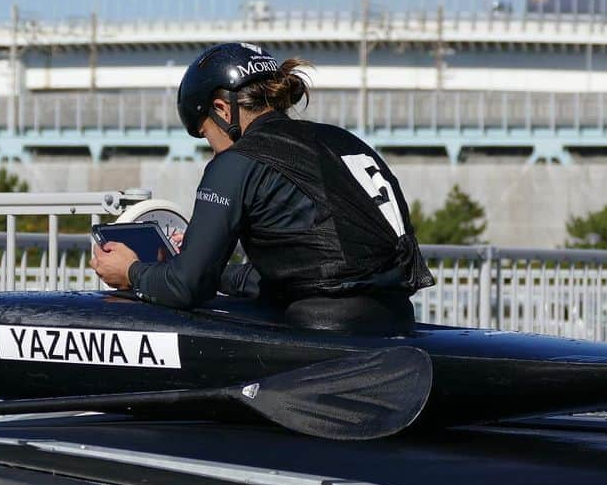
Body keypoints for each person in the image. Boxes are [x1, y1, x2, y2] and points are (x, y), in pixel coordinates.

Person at [91, 42, 434, 334]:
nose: (211, 148)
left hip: (321, 334)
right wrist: (204, 267)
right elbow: (311, 267)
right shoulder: (340, 141)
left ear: (223, 109)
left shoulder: (237, 162)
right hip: (398, 321)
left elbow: (185, 288)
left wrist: (132, 272)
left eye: (206, 133)